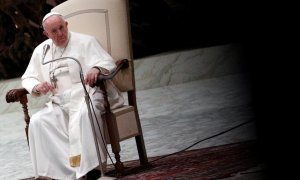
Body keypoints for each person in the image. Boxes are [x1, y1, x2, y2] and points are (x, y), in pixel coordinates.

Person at [21, 12, 124, 179]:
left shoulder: (86, 41)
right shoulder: (42, 51)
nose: (60, 33)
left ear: (66, 25)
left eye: (62, 28)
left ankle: (93, 170)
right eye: (54, 31)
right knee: (38, 121)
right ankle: (60, 173)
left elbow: (107, 62)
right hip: (59, 101)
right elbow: (28, 77)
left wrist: (96, 69)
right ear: (46, 34)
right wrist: (38, 86)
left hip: (88, 93)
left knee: (85, 114)